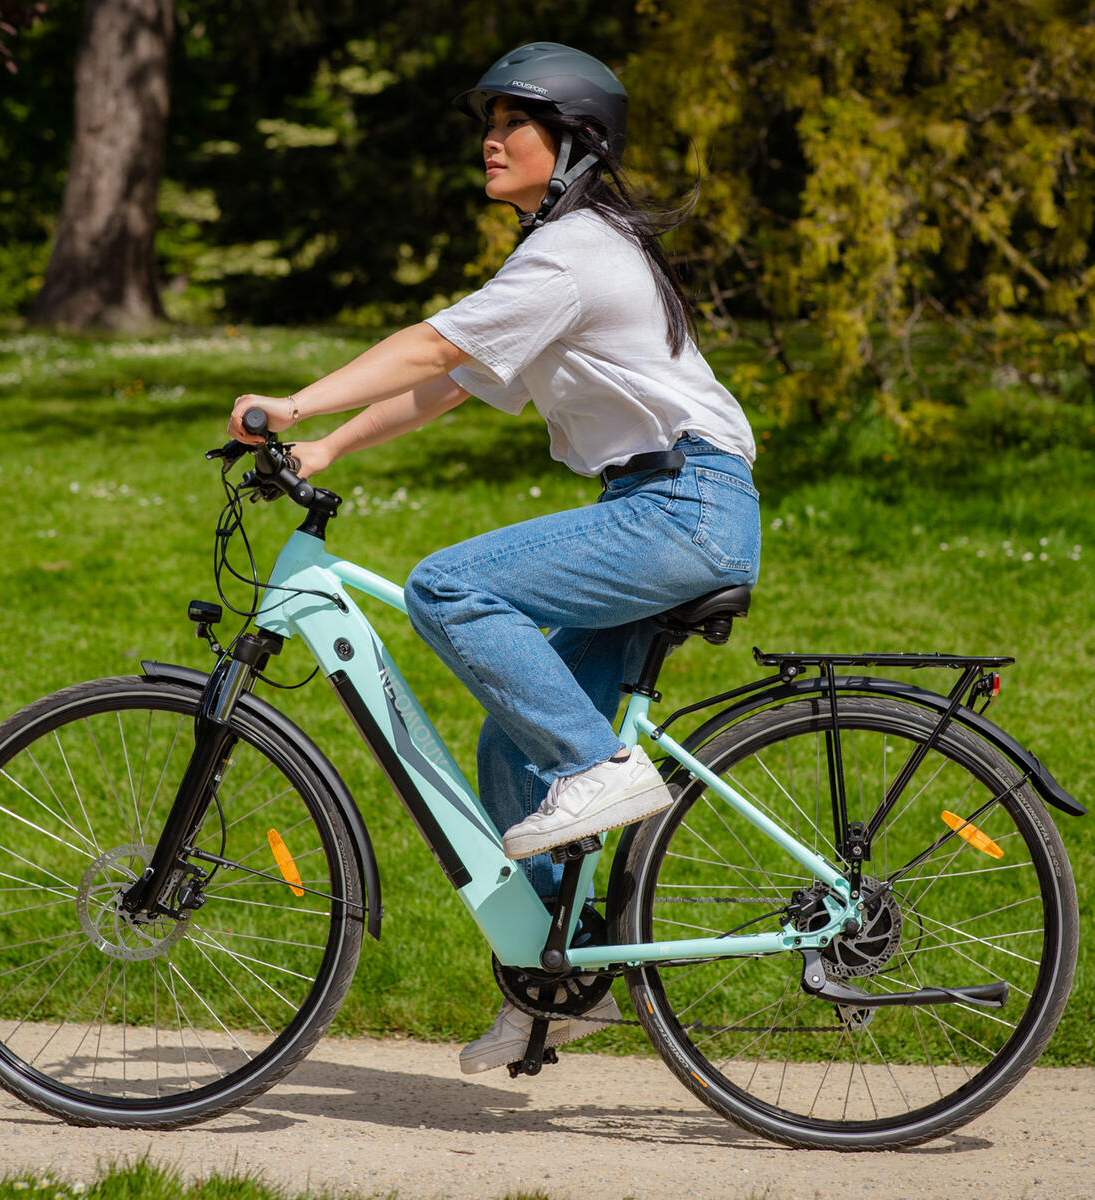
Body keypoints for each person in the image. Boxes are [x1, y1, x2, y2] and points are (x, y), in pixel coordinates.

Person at [228, 42, 761, 1074]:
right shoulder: (562, 256)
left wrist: (291, 402)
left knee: (448, 583)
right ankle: (561, 978)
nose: (491, 137)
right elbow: (455, 381)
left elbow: (430, 347)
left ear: (573, 144)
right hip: (667, 504)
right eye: (490, 120)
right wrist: (329, 444)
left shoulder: (578, 251)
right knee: (510, 747)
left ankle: (601, 769)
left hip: (680, 505)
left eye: (515, 121)